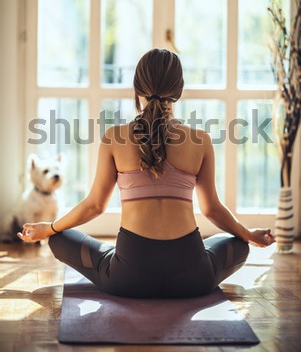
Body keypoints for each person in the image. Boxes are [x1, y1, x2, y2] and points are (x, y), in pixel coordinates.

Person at [18, 49, 275, 298]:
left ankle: (111, 254)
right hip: (192, 278)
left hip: (127, 278)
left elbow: (95, 205)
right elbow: (212, 210)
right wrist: (249, 234)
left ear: (137, 87)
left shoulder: (114, 138)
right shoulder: (201, 140)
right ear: (179, 90)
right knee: (238, 244)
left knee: (59, 239)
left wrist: (49, 228)